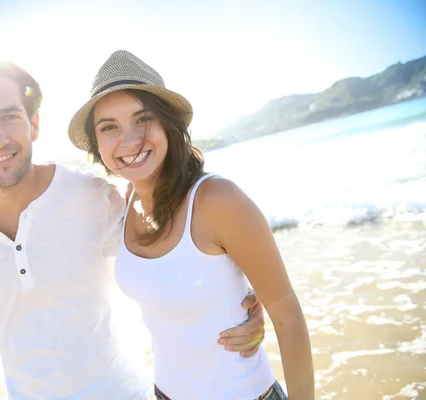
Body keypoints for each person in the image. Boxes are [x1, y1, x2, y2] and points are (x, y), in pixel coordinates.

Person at [0, 60, 267, 399]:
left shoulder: (94, 196)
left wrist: (244, 301)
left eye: (9, 117)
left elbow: (175, 250)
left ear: (33, 124)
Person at [67, 50, 314, 400]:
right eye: (109, 127)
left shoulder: (217, 200)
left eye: (143, 119)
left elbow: (288, 317)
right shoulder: (121, 203)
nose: (130, 139)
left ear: (168, 124)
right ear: (97, 144)